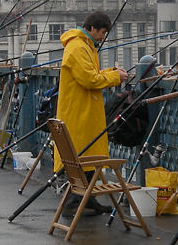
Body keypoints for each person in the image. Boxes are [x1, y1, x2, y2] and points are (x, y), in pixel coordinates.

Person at [55, 11, 129, 212]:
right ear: (92, 28)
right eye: (102, 33)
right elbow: (89, 80)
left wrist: (113, 73)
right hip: (79, 113)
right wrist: (115, 78)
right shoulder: (78, 47)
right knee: (82, 157)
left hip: (84, 111)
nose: (103, 37)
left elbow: (92, 75)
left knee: (87, 158)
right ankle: (75, 202)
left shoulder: (85, 46)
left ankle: (86, 200)